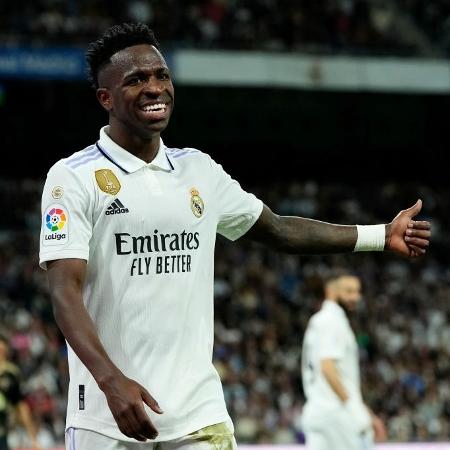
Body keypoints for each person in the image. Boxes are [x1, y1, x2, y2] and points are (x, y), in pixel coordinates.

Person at [38, 23, 431, 450]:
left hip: (199, 416)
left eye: (161, 75)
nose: (154, 88)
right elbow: (64, 291)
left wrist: (381, 235)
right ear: (106, 98)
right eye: (136, 79)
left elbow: (278, 229)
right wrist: (110, 381)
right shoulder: (72, 178)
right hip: (105, 417)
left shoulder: (198, 171)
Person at [301, 272, 387, 450]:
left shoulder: (322, 320)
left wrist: (368, 414)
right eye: (349, 291)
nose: (356, 297)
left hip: (320, 412)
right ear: (330, 291)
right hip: (337, 418)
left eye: (357, 291)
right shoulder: (331, 321)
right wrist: (355, 409)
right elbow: (327, 367)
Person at [0, 335, 41, 450]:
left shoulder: (11, 373)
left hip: (3, 431)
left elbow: (21, 405)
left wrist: (33, 439)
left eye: (2, 351)